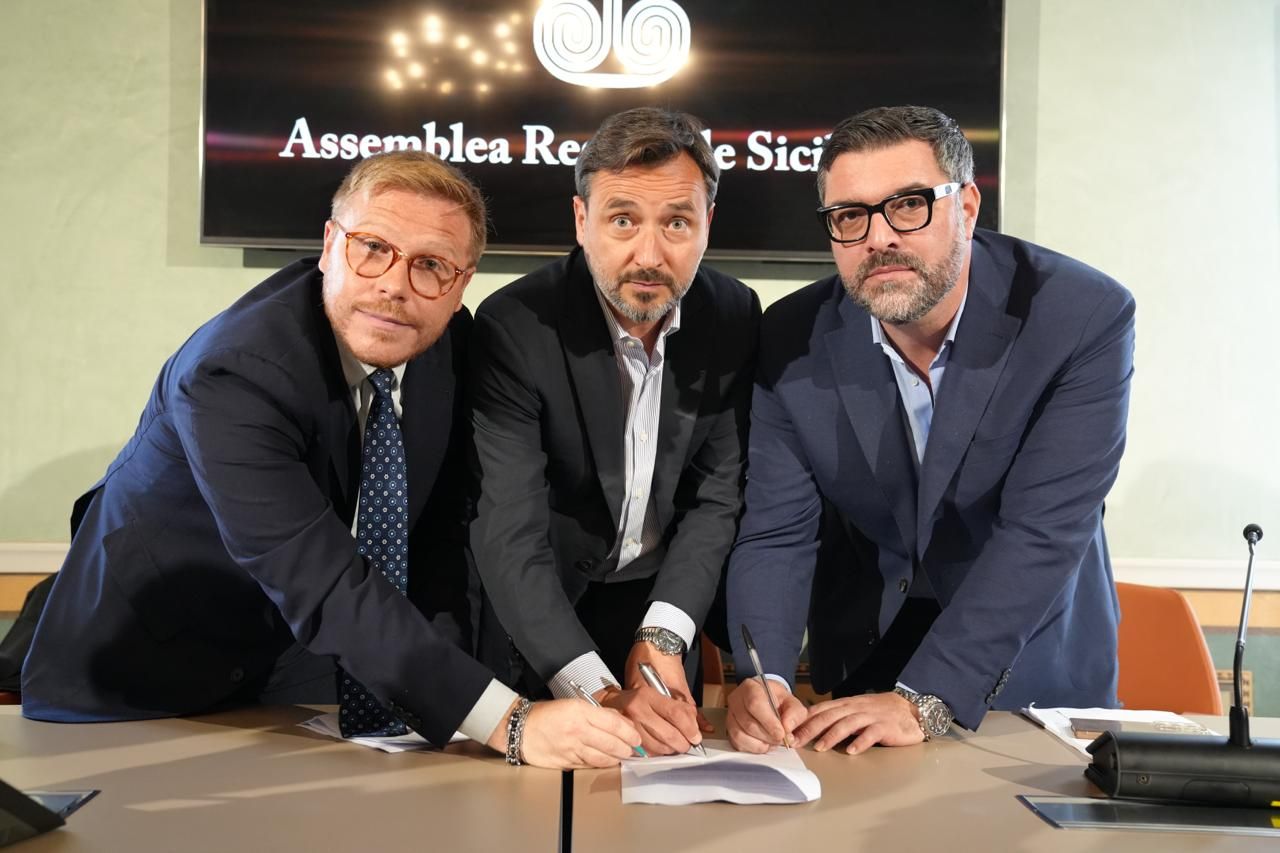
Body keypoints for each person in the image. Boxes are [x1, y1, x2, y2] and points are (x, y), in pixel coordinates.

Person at [21, 151, 640, 770]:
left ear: (460, 286)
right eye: (372, 248)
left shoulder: (443, 344)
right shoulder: (235, 373)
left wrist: (453, 709)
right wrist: (509, 721)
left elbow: (443, 544)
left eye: (430, 265)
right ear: (328, 246)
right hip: (138, 673)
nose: (394, 286)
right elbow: (317, 580)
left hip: (291, 661)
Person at [726, 105, 1135, 755]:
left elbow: (1043, 528)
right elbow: (778, 530)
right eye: (850, 216)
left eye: (908, 205)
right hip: (865, 663)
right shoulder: (791, 335)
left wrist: (929, 696)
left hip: (1025, 674)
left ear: (966, 207)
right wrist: (764, 674)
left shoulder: (1078, 316)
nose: (878, 237)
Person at [468, 108, 760, 756]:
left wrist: (662, 638)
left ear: (708, 223)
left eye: (677, 223)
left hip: (657, 609)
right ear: (581, 221)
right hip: (538, 617)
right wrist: (597, 692)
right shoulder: (516, 325)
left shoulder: (733, 314)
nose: (649, 256)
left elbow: (716, 497)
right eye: (622, 220)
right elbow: (508, 529)